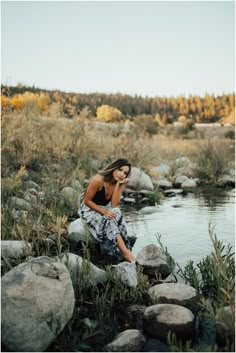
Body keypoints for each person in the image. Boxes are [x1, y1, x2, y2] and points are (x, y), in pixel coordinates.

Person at [78, 158, 136, 262]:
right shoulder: (98, 180)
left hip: (103, 207)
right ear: (114, 167)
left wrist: (120, 185)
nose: (122, 174)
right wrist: (104, 212)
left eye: (125, 173)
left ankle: (125, 247)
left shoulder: (116, 182)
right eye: (120, 169)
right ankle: (126, 253)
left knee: (116, 212)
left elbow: (114, 205)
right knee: (108, 219)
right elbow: (87, 201)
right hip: (88, 208)